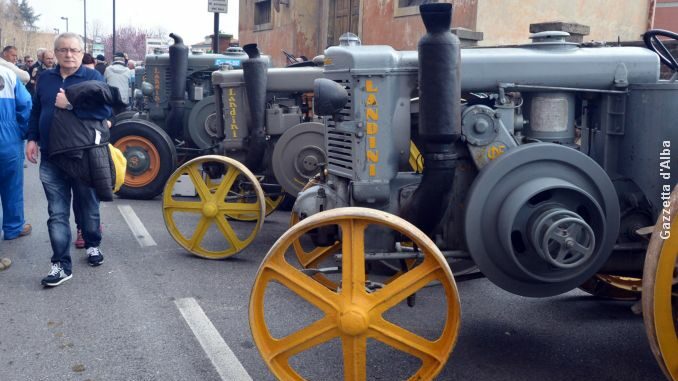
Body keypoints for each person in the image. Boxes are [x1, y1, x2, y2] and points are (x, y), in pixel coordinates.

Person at [26, 33, 111, 287]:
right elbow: (36, 110)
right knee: (57, 212)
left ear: (81, 51)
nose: (68, 54)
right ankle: (60, 265)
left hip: (82, 156)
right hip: (51, 156)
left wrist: (70, 105)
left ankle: (93, 243)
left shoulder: (93, 78)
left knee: (88, 206)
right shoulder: (45, 78)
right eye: (63, 50)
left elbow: (104, 112)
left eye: (73, 50)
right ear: (56, 53)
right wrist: (31, 138)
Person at [0, 64, 32, 243]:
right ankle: (14, 227)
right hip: (8, 138)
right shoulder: (7, 74)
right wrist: (21, 131)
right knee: (12, 184)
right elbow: (26, 104)